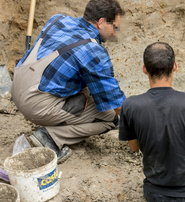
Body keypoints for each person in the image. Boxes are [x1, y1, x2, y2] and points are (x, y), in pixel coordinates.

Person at [11, 0, 126, 163]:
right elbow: (115, 102)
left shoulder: (58, 19)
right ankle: (50, 138)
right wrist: (140, 124)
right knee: (109, 119)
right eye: (114, 27)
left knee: (82, 83)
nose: (115, 33)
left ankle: (54, 117)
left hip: (17, 87)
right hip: (35, 104)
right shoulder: (93, 51)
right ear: (101, 22)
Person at [119, 42, 185, 202]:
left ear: (144, 69)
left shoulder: (130, 105)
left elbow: (134, 147)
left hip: (156, 195)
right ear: (175, 66)